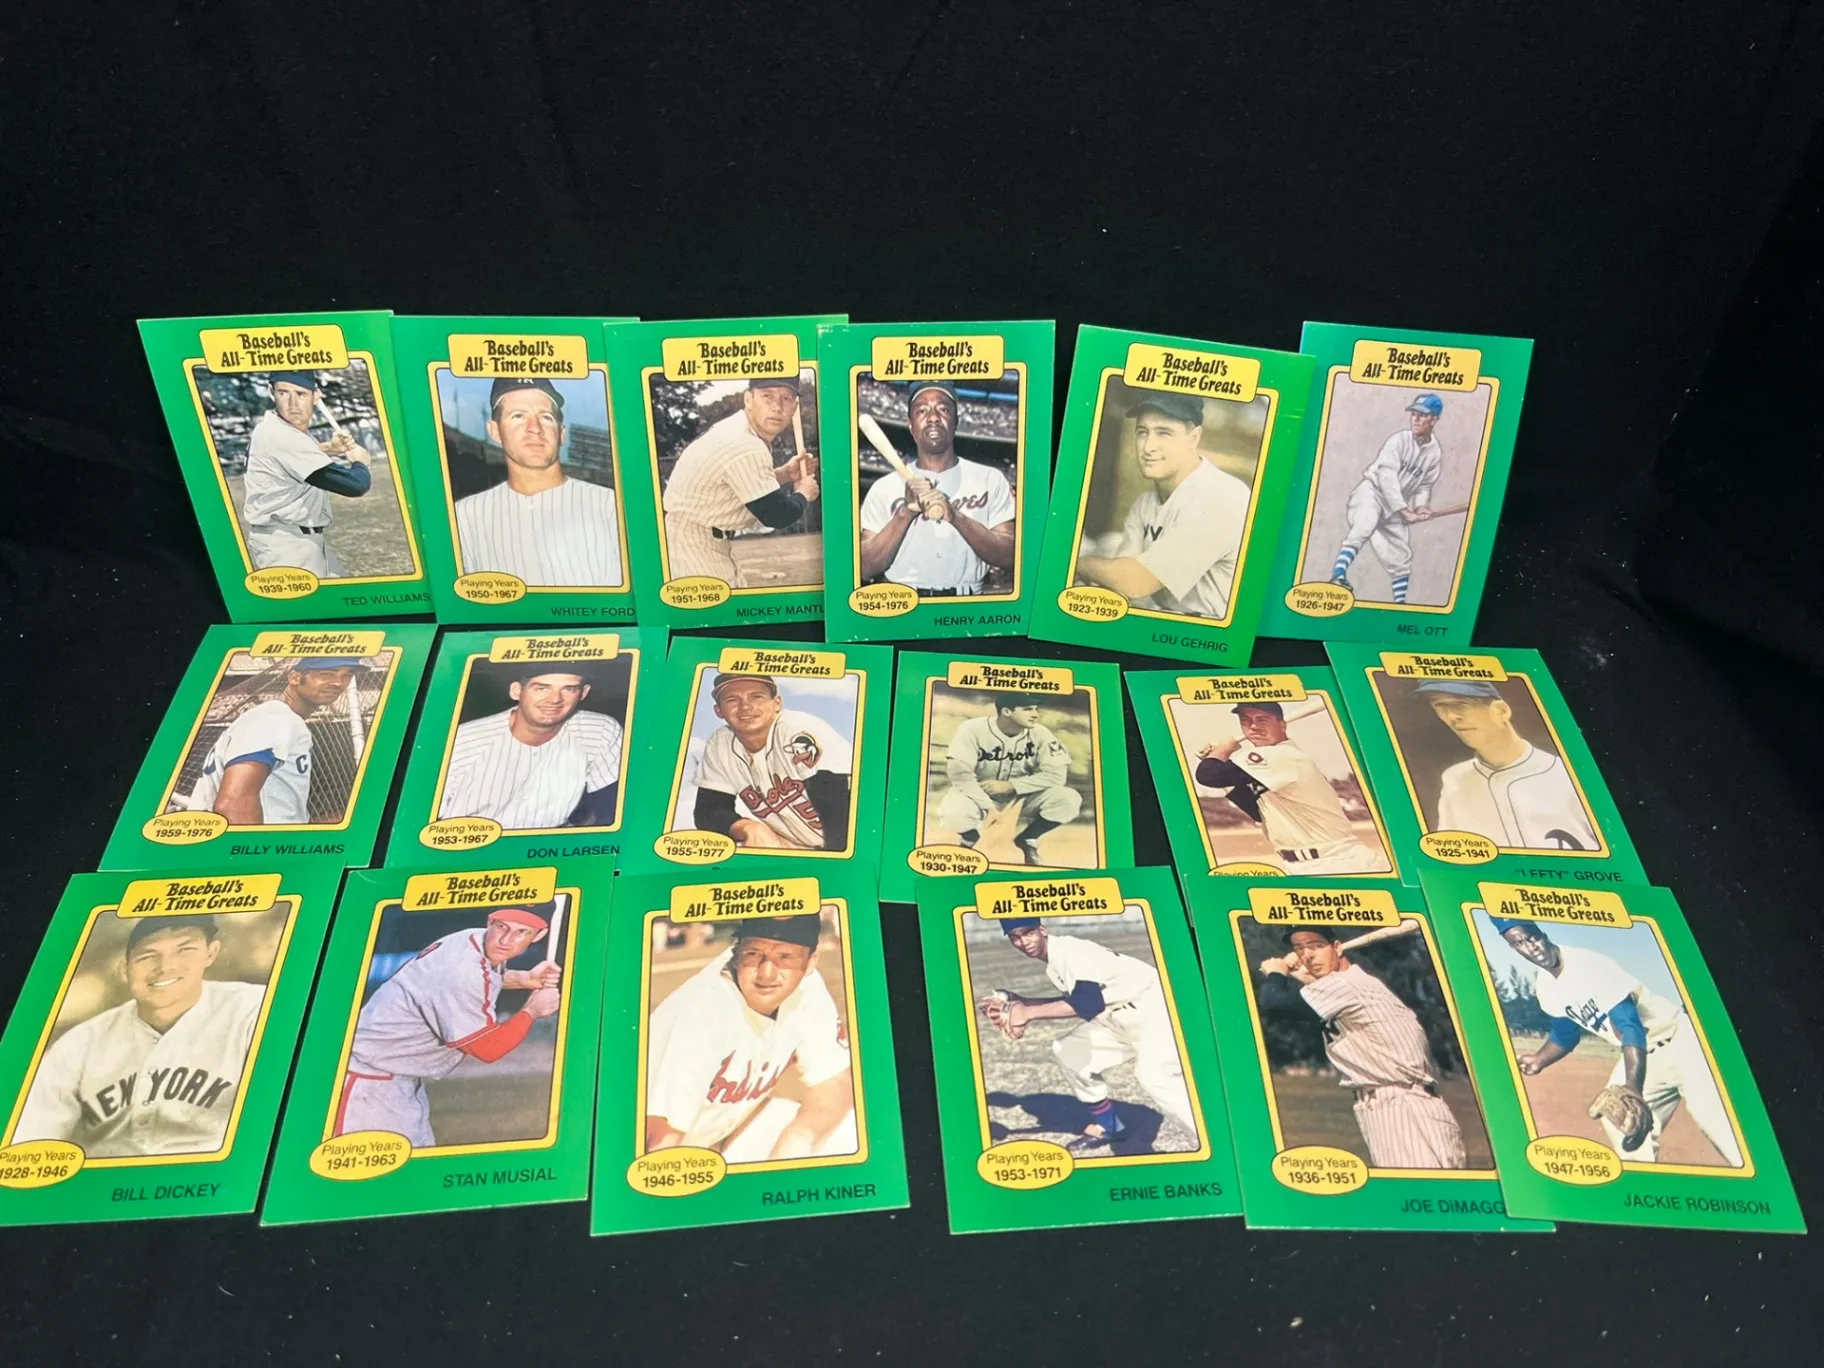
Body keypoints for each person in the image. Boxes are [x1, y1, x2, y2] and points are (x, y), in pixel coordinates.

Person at [1494, 918, 1742, 1166]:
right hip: (1643, 1054)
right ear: (1513, 948)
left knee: (1717, 1124)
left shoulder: (1588, 965)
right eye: (1520, 943)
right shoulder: (1546, 988)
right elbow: (1565, 1034)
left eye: (1532, 937)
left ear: (1543, 934)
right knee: (1619, 1121)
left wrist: (1633, 1086)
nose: (1531, 947)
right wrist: (1539, 1059)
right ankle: (1645, 1182)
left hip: (1681, 1042)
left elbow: (1629, 1024)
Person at [12, 915, 265, 1157]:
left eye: (185, 949)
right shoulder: (79, 1044)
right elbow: (25, 1141)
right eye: (147, 956)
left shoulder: (254, 1011)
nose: (165, 967)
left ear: (211, 952)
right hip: (107, 1181)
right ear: (125, 970)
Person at [335, 904, 562, 1147]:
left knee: (416, 1165)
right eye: (502, 926)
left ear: (538, 935)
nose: (506, 940)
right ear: (490, 921)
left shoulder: (471, 940)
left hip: (395, 1080)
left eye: (521, 932)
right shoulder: (462, 969)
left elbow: (484, 979)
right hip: (368, 1084)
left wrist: (526, 979)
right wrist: (531, 1011)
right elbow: (488, 1048)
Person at [644, 914, 854, 1162]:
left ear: (810, 962)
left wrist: (795, 1144)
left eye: (785, 957)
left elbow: (833, 1081)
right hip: (654, 1154)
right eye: (754, 954)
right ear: (737, 950)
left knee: (847, 1130)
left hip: (717, 1135)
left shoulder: (807, 989)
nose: (767, 974)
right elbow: (656, 1147)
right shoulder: (702, 1013)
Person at [982, 917, 1197, 1155]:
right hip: (1117, 1015)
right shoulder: (1056, 959)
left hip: (1156, 1010)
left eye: (1028, 933)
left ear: (1042, 930)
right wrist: (1024, 1003)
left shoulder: (1070, 951)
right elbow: (1081, 1000)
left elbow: (1088, 1003)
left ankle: (1214, 1142)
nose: (1023, 942)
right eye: (1015, 937)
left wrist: (1027, 1013)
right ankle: (1109, 1126)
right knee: (1069, 1052)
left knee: (1155, 1077)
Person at [1256, 926, 1466, 1168]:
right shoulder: (1356, 983)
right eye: (1299, 949)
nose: (1308, 955)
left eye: (1316, 946)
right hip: (1400, 1105)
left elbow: (1273, 1003)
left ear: (1337, 948)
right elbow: (1319, 1004)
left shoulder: (1347, 985)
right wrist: (1304, 977)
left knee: (1417, 1189)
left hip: (1403, 1107)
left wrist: (1276, 972)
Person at [1073, 391, 1253, 620]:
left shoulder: (1222, 497)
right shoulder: (1145, 504)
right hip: (1168, 621)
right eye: (1142, 432)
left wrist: (1079, 563)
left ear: (1193, 438)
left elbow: (1134, 583)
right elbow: (1119, 585)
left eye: (1164, 433)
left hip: (1215, 630)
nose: (1148, 447)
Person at [453, 376, 623, 587]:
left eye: (546, 417)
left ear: (561, 434)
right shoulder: (465, 515)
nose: (534, 428)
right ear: (495, 431)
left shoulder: (611, 506)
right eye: (518, 416)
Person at [857, 381, 1015, 596]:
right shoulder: (883, 487)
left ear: (956, 421)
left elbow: (1010, 556)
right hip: (903, 601)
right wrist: (905, 513)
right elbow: (865, 567)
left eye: (943, 409)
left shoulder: (990, 479)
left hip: (967, 602)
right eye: (922, 411)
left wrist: (956, 517)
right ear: (910, 425)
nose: (933, 417)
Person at [660, 376, 820, 587]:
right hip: (691, 546)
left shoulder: (737, 428)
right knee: (724, 606)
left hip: (695, 539)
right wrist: (804, 493)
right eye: (767, 396)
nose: (777, 407)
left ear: (794, 408)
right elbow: (778, 515)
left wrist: (784, 474)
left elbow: (734, 485)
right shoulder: (745, 443)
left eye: (786, 399)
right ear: (748, 400)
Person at [1193, 701, 1387, 873]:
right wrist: (1218, 757)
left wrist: (1222, 751)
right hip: (1305, 865)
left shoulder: (1283, 755)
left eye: (1262, 720)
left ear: (1282, 725)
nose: (1254, 726)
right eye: (1246, 721)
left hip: (1337, 863)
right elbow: (1256, 811)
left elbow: (1208, 775)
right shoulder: (1271, 769)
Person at [1415, 681, 1599, 850]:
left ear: (1501, 711)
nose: (1451, 716)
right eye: (1440, 706)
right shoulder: (1454, 779)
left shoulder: (1568, 775)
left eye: (1460, 704)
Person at [438, 666, 624, 830]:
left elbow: (610, 806)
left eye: (569, 689)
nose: (555, 699)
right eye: (542, 688)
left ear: (583, 693)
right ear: (516, 691)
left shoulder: (600, 730)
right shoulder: (462, 740)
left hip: (549, 846)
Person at [186, 656, 362, 825]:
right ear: (294, 678)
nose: (339, 683)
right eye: (327, 673)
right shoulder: (276, 719)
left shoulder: (276, 718)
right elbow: (233, 805)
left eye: (347, 675)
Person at [689, 674, 852, 851]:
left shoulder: (797, 730)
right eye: (732, 700)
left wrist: (832, 862)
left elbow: (841, 809)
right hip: (802, 846)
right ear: (719, 711)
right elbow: (708, 812)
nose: (745, 706)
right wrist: (747, 827)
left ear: (777, 704)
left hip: (856, 839)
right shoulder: (721, 743)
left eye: (756, 697)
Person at [241, 369, 373, 576]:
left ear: (315, 396)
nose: (293, 404)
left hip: (299, 540)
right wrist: (360, 463)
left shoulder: (274, 427)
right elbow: (355, 485)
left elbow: (287, 462)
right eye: (283, 393)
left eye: (301, 394)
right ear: (271, 392)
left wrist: (330, 448)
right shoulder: (281, 436)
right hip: (287, 548)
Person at [937, 693, 1081, 866]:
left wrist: (1012, 785)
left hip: (1022, 797)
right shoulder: (972, 729)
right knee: (954, 810)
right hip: (977, 794)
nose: (1035, 715)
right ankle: (969, 840)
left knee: (1068, 798)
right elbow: (960, 774)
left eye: (1035, 709)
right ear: (1006, 711)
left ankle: (1028, 839)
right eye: (1027, 709)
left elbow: (1057, 775)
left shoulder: (1041, 733)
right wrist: (988, 807)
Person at [1329, 394, 1443, 604]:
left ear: (1434, 420)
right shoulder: (1399, 440)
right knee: (1364, 525)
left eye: (1423, 415)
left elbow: (1424, 486)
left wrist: (1420, 507)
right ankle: (1338, 575)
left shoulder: (1434, 453)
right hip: (1373, 492)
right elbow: (1386, 477)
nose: (1416, 419)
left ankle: (1399, 605)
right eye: (1414, 414)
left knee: (1401, 558)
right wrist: (1404, 510)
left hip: (1396, 507)